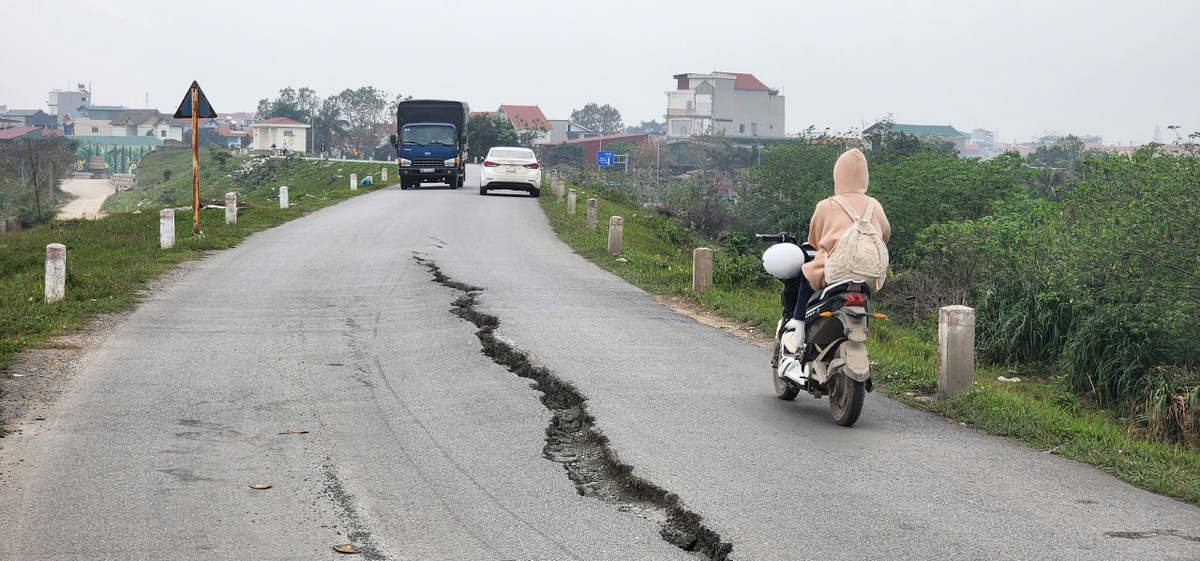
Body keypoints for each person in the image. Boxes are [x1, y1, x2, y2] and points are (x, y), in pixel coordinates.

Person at [782, 148, 890, 350]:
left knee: (807, 274)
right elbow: (885, 234)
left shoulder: (827, 205)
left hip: (836, 272)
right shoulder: (875, 206)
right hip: (869, 275)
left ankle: (799, 329)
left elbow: (814, 240)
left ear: (838, 175)